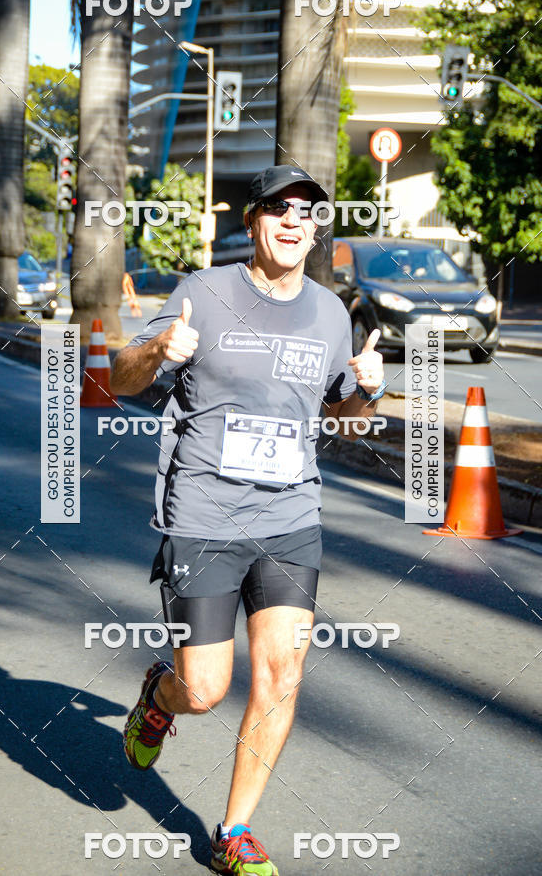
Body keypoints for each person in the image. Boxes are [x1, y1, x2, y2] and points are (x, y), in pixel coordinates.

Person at [110, 165, 385, 875]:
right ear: (252, 220)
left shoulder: (330, 313)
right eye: (278, 208)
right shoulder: (203, 292)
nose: (294, 221)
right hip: (204, 516)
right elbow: (122, 377)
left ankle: (233, 833)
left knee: (281, 676)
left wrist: (369, 393)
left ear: (316, 230)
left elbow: (344, 417)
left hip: (291, 517)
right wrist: (156, 350)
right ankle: (159, 697)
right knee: (204, 688)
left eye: (307, 211)